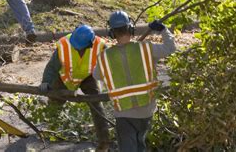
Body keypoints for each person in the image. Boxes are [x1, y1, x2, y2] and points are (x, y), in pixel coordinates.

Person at [93, 10, 177, 152]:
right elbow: (170, 48)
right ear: (131, 29)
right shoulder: (146, 48)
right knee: (140, 146)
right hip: (147, 109)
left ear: (112, 33)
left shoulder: (104, 57)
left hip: (123, 112)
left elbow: (97, 76)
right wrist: (163, 30)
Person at [39, 25, 110, 149]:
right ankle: (52, 129)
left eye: (80, 48)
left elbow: (111, 65)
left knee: (96, 103)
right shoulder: (64, 44)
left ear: (90, 44)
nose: (77, 49)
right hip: (65, 77)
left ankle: (104, 140)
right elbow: (52, 66)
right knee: (55, 101)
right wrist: (46, 82)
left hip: (88, 76)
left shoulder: (100, 46)